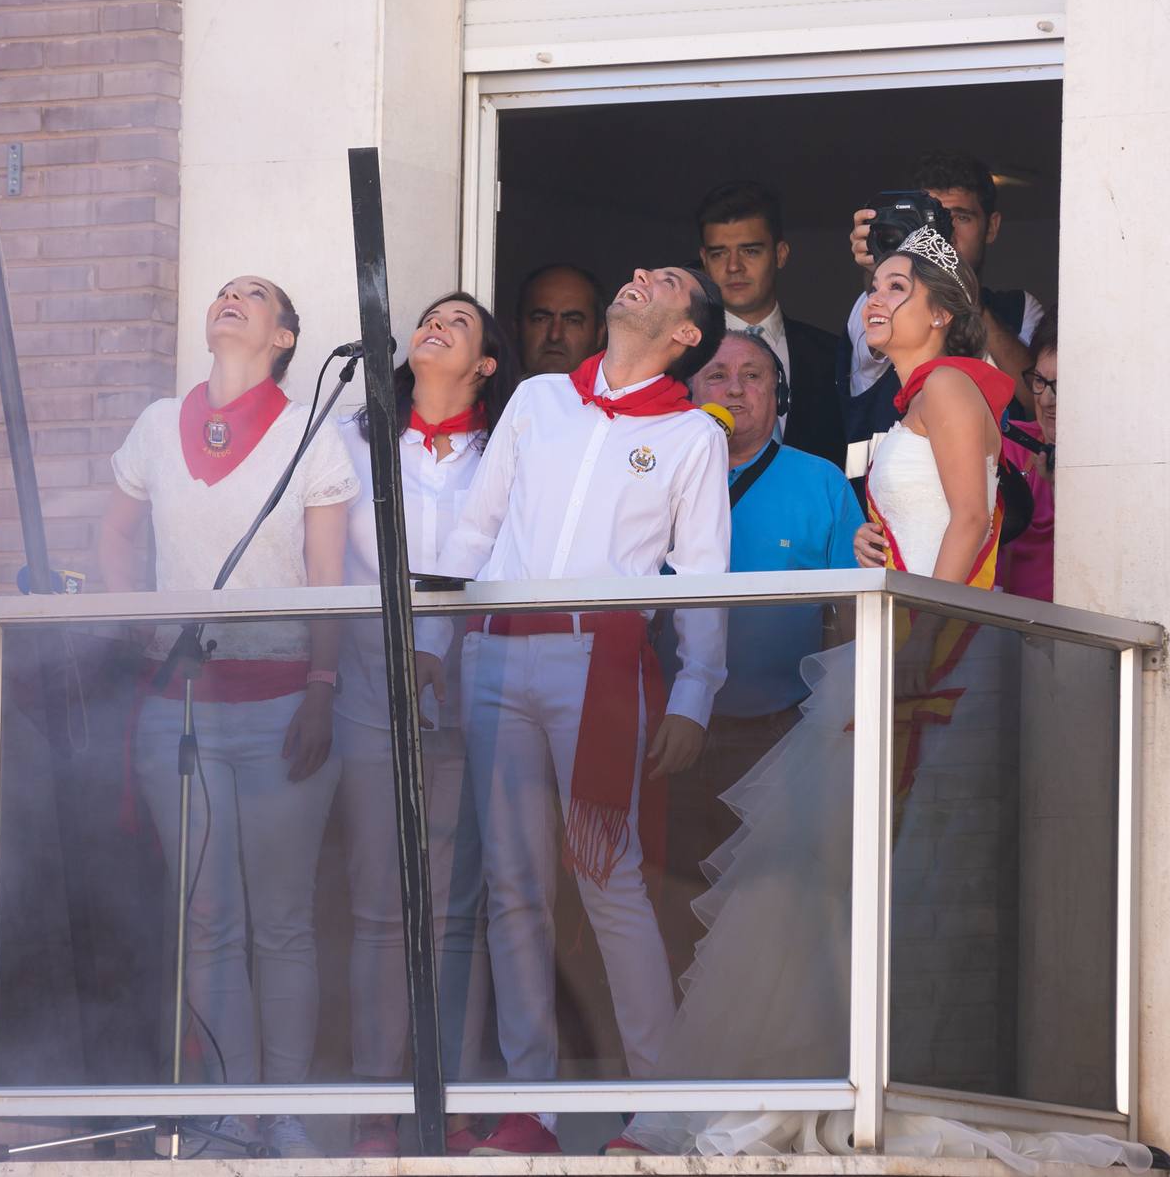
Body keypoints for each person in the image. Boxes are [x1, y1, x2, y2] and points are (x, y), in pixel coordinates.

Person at [617, 224, 1023, 1157]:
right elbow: (929, 521)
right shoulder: (917, 394)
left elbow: (970, 518)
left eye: (894, 287)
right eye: (871, 287)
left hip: (926, 662)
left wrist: (914, 651)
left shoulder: (953, 385)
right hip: (894, 649)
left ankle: (841, 1083)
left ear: (942, 311)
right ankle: (803, 1081)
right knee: (812, 881)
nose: (873, 301)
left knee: (835, 881)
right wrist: (880, 549)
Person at [430, 266, 729, 1157]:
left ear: (686, 333)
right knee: (514, 889)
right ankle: (535, 1105)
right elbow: (477, 529)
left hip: (598, 662)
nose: (637, 278)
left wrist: (695, 690)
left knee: (610, 881)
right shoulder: (538, 400)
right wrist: (433, 646)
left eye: (664, 279)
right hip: (496, 647)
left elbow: (704, 577)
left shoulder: (688, 435)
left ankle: (656, 1105)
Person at [96, 276, 358, 1160]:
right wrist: (124, 610)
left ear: (284, 337)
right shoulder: (155, 423)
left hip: (284, 699)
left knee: (281, 918)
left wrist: (323, 684)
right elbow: (115, 534)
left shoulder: (309, 435)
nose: (231, 299)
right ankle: (222, 1110)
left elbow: (331, 581)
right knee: (206, 917)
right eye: (224, 292)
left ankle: (280, 1110)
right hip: (179, 705)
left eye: (254, 296)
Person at [333, 293, 517, 1158]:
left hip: (476, 682)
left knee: (460, 907)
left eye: (461, 322)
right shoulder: (354, 439)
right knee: (378, 901)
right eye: (430, 317)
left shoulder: (510, 449)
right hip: (374, 684)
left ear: (485, 364)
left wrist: (444, 649)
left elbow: (504, 559)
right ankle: (376, 1092)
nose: (435, 325)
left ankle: (460, 1090)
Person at [658, 330, 864, 960]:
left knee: (775, 908)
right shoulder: (655, 472)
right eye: (716, 375)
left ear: (779, 394)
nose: (735, 389)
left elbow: (855, 612)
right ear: (692, 388)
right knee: (669, 899)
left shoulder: (820, 481)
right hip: (665, 729)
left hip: (783, 733)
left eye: (753, 376)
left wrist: (838, 720)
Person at [844, 151, 1046, 438]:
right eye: (934, 219)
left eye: (961, 218)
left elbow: (1041, 401)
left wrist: (962, 291)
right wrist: (882, 264)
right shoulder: (874, 302)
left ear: (992, 226)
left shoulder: (1018, 308)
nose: (945, 235)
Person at [695, 180, 852, 465]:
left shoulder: (834, 355)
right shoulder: (684, 356)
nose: (733, 266)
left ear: (780, 254)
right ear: (704, 260)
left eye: (750, 251)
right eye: (719, 253)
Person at [998, 312, 1058, 601]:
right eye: (1039, 381)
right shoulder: (1007, 444)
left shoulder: (1120, 466)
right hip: (994, 632)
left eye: (1061, 385)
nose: (1046, 399)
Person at [515, 263, 607, 378]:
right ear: (517, 328)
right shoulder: (496, 395)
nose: (555, 336)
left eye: (573, 321)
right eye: (541, 319)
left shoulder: (622, 395)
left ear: (599, 334)